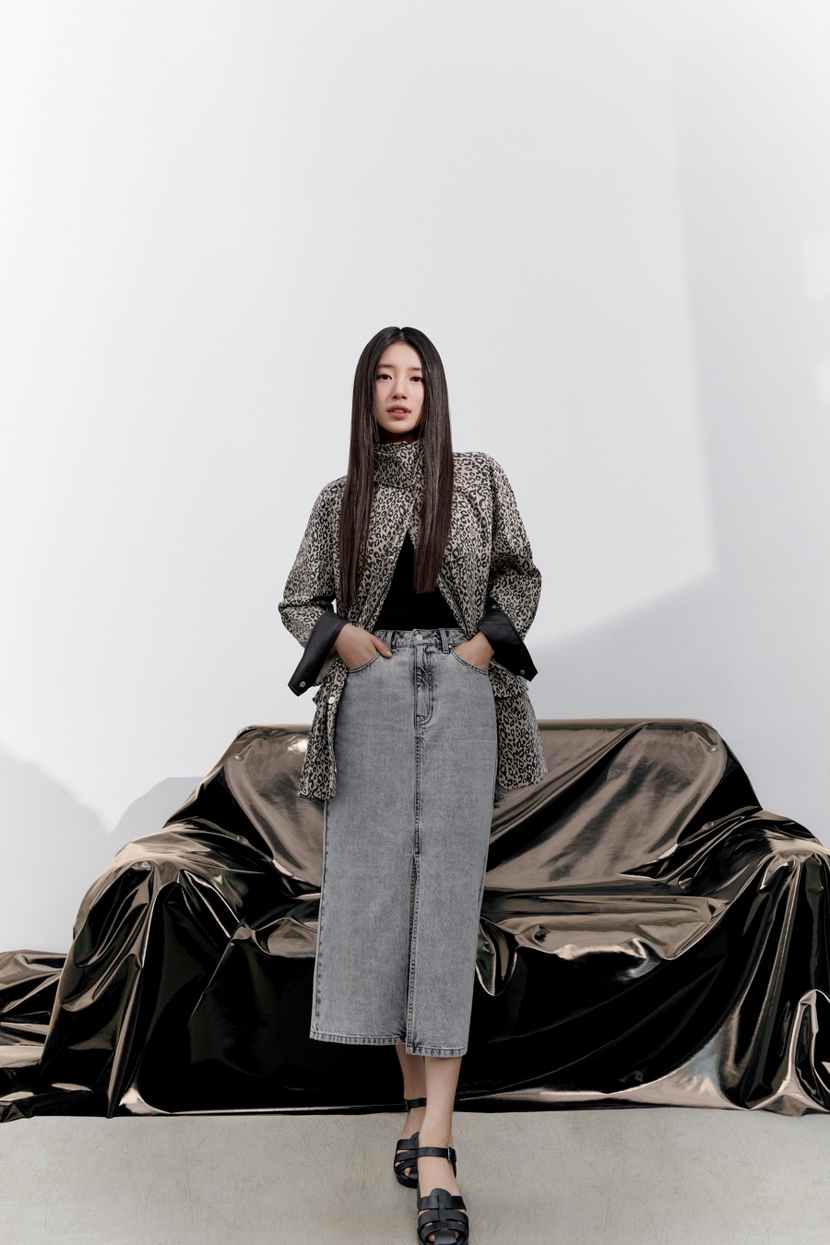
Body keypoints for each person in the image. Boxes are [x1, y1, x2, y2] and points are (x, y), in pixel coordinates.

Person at [279, 326, 546, 1244]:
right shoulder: (340, 497)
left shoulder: (477, 477)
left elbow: (521, 574)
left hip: (462, 688)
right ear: (367, 393)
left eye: (416, 376)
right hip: (373, 690)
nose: (401, 390)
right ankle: (410, 1102)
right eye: (385, 377)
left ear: (435, 390)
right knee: (378, 898)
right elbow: (299, 597)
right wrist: (344, 639)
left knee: (445, 903)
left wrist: (478, 651)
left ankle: (438, 1140)